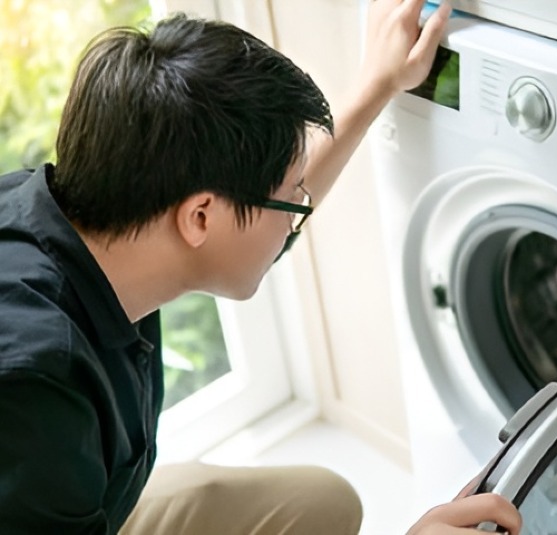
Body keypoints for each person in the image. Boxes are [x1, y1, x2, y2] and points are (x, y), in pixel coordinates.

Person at [0, 0, 523, 533]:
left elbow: (256, 216)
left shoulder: (83, 219)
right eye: (290, 198)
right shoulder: (36, 392)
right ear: (200, 217)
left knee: (323, 502)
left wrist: (379, 82)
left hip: (93, 495)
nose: (298, 211)